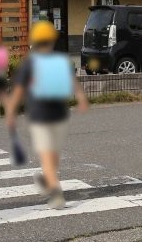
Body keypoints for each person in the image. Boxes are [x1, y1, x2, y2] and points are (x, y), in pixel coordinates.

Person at [6, 20, 89, 209]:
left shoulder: (29, 63)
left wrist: (10, 112)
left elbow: (18, 92)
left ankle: (56, 193)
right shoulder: (62, 61)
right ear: (52, 41)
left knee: (47, 157)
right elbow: (74, 83)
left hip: (39, 116)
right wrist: (82, 99)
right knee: (53, 156)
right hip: (60, 115)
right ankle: (47, 179)